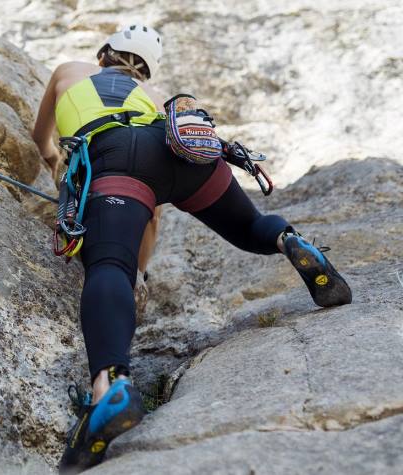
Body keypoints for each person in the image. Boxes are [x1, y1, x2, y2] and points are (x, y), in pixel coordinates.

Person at [32, 24, 352, 473]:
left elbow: (40, 135)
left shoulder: (68, 71)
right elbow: (155, 214)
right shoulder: (152, 93)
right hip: (180, 153)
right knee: (251, 228)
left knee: (108, 265)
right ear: (147, 69)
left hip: (116, 158)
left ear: (105, 51)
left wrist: (54, 163)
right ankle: (291, 242)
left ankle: (110, 389)